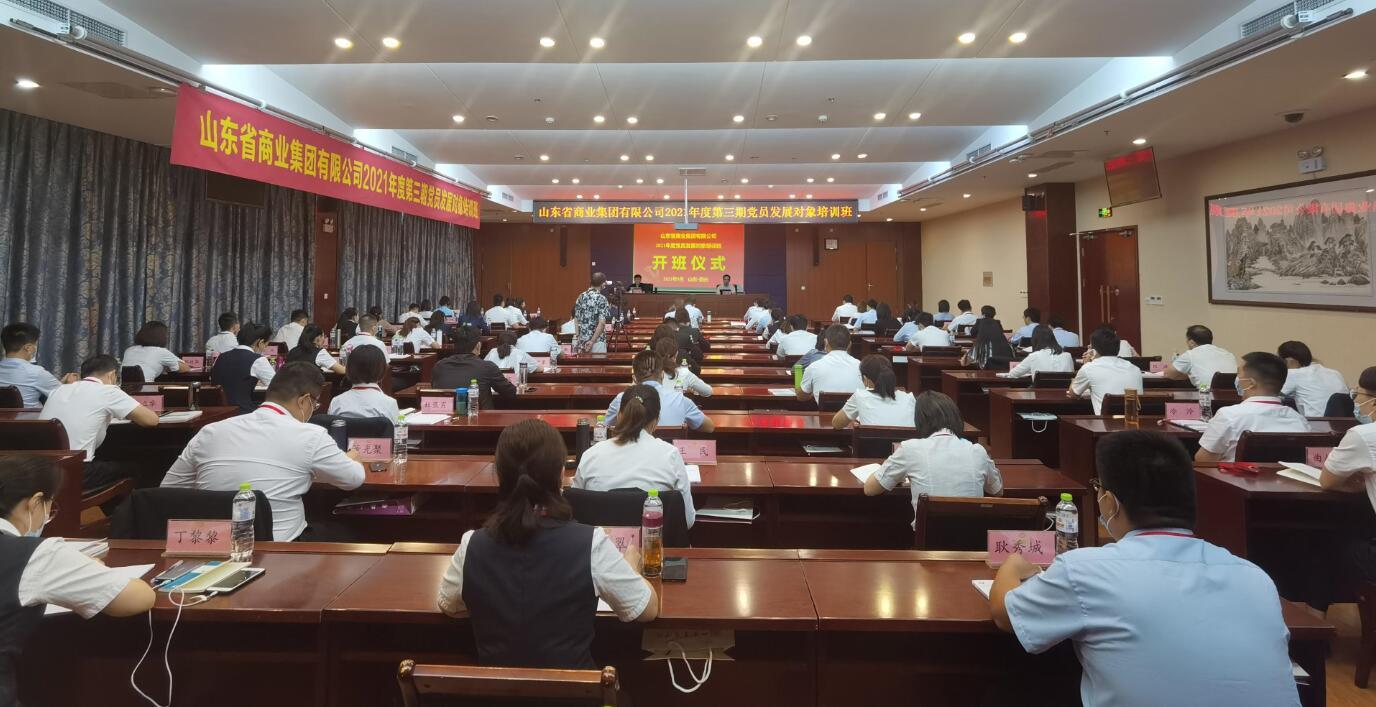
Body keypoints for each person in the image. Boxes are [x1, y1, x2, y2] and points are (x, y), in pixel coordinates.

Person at [991, 430, 1300, 707]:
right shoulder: (1255, 577)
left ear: (1110, 502)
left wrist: (1012, 565)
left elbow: (1005, 615)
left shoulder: (1084, 570)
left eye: (1098, 488)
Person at [438, 420, 657, 667]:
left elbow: (448, 605)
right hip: (574, 687)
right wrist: (632, 568)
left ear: (499, 475)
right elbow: (646, 610)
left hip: (495, 688)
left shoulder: (472, 545)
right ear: (561, 474)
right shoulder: (591, 544)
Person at [0, 455, 157, 702]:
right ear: (35, 502)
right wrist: (91, 568)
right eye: (49, 506)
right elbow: (137, 598)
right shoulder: (38, 555)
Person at [162, 362, 365, 541]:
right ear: (303, 401)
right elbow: (353, 479)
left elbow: (169, 490)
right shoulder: (311, 435)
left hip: (212, 543)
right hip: (282, 547)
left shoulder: (210, 431)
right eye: (315, 404)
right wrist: (352, 458)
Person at [864, 392, 1002, 526]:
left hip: (929, 539)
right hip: (972, 539)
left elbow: (870, 489)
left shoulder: (910, 449)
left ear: (920, 421)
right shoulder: (978, 451)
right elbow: (997, 491)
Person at [575, 383, 696, 527]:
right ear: (656, 421)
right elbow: (687, 520)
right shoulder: (671, 455)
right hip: (655, 541)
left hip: (599, 540)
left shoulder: (591, 455)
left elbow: (575, 514)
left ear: (619, 416)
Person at [39, 354, 159, 489]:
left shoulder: (58, 390)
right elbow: (151, 420)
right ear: (112, 375)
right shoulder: (108, 391)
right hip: (78, 472)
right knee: (139, 467)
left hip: (43, 470)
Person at [1195, 352, 1310, 463]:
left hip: (1235, 476)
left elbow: (1204, 460)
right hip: (1284, 477)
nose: (1237, 378)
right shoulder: (1299, 420)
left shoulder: (1228, 415)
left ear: (1250, 383)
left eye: (1238, 373)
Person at [1320, 366, 1376, 586]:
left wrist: (1359, 486)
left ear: (1373, 403)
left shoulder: (1364, 435)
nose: (1355, 400)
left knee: (1326, 542)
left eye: (1357, 394)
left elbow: (1328, 482)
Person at [604, 351, 714, 432]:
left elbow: (606, 427)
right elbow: (709, 427)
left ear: (634, 378)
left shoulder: (621, 399)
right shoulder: (680, 399)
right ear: (662, 375)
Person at [432, 325, 517, 408]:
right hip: (478, 416)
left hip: (445, 416)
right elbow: (510, 392)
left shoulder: (439, 366)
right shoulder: (487, 367)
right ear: (478, 346)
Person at [1069, 326, 1144, 415]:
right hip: (1133, 421)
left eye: (1090, 347)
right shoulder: (1135, 369)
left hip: (1105, 422)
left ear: (1094, 351)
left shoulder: (1088, 368)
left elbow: (1073, 394)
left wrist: (1084, 366)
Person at [0, 323, 74, 407]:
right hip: (30, 415)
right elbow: (65, 397)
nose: (35, 348)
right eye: (35, 345)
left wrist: (59, 384)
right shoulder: (36, 373)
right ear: (28, 348)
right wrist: (69, 385)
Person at [211, 322, 279, 413]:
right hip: (243, 412)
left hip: (218, 412)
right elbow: (277, 386)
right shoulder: (257, 360)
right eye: (266, 344)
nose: (265, 348)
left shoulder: (221, 357)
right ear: (260, 342)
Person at [833, 355, 915, 429]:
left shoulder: (860, 396)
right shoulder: (909, 398)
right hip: (905, 441)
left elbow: (836, 424)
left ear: (866, 379)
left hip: (871, 442)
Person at [328, 346, 400, 422]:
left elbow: (330, 428)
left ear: (348, 369)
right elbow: (396, 428)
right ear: (382, 370)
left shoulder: (336, 402)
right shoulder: (389, 403)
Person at [1277, 341, 1348, 417]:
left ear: (1290, 361)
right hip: (1344, 422)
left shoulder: (1294, 373)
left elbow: (1271, 394)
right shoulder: (1336, 373)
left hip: (1315, 422)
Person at [798, 325, 863, 403]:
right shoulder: (862, 367)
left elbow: (801, 396)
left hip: (824, 410)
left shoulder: (814, 367)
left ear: (826, 342)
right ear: (850, 344)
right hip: (857, 411)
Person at [1163, 325, 1236, 390]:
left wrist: (1189, 374)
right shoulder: (1228, 354)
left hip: (1207, 394)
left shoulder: (1191, 354)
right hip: (1234, 396)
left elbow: (1168, 374)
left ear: (1191, 342)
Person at [122, 320, 188, 381]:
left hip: (123, 388)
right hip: (146, 388)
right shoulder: (160, 351)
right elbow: (185, 368)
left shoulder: (129, 350)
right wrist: (167, 367)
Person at [1005, 325, 1073, 379]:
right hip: (1063, 392)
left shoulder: (1034, 356)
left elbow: (1012, 374)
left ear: (1035, 340)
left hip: (1040, 392)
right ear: (1053, 338)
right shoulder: (1068, 356)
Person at [573, 273, 612, 354]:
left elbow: (576, 319)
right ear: (603, 284)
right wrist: (592, 341)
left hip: (582, 341)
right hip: (597, 341)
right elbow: (602, 323)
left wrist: (578, 336)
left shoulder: (581, 296)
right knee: (598, 362)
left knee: (583, 363)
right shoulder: (602, 298)